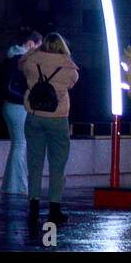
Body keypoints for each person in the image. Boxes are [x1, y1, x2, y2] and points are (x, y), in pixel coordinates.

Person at [20, 32, 79, 227]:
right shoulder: (67, 65)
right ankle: (55, 209)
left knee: (34, 163)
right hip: (58, 118)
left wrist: (35, 52)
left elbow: (21, 64)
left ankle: (33, 207)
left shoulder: (32, 61)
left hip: (35, 116)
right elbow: (73, 80)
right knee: (57, 165)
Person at [1, 29, 41, 196]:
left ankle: (11, 185)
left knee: (17, 144)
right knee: (20, 145)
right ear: (30, 44)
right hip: (19, 105)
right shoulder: (22, 60)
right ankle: (18, 186)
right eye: (38, 46)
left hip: (10, 105)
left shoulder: (11, 57)